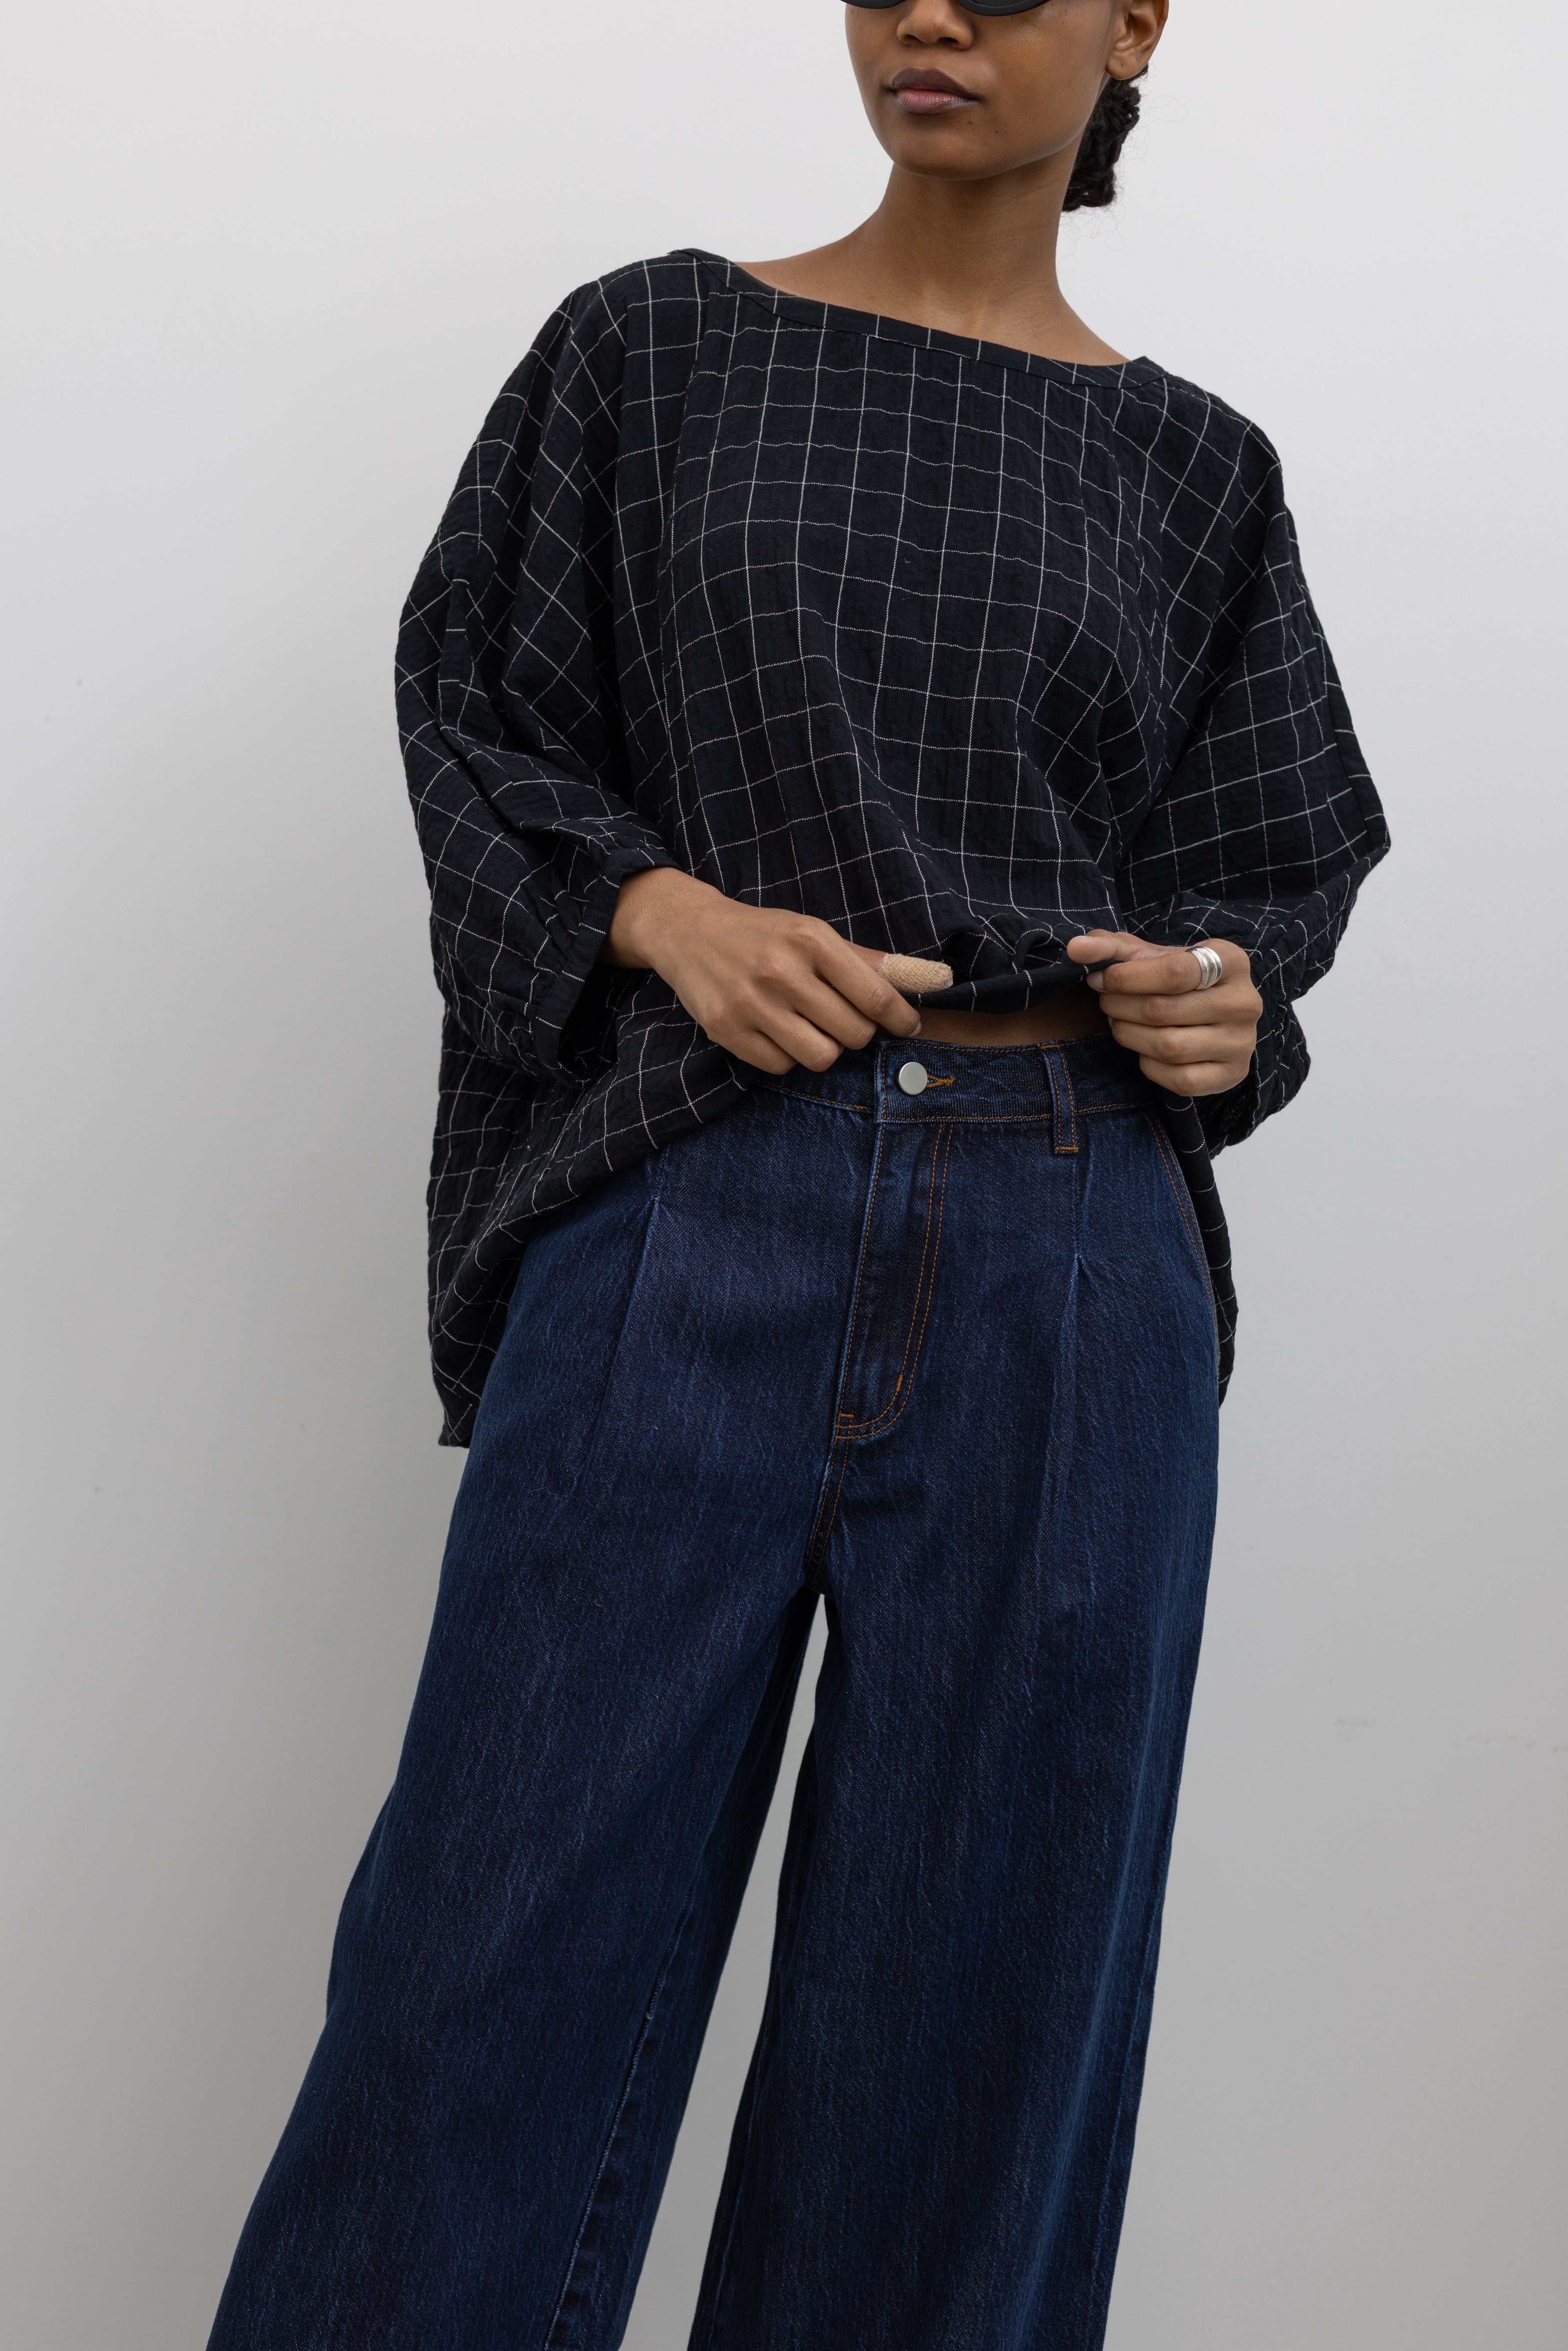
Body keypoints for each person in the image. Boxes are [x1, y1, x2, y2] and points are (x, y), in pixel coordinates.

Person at [208, 4, 1388, 2345]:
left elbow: (1260, 871)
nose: (925, 12)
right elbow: (477, 704)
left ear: (1143, 17)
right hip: (688, 1196)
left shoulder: (1198, 471)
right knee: (482, 1972)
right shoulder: (654, 346)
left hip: (1075, 1251)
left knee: (978, 2032)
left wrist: (1225, 995)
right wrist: (656, 910)